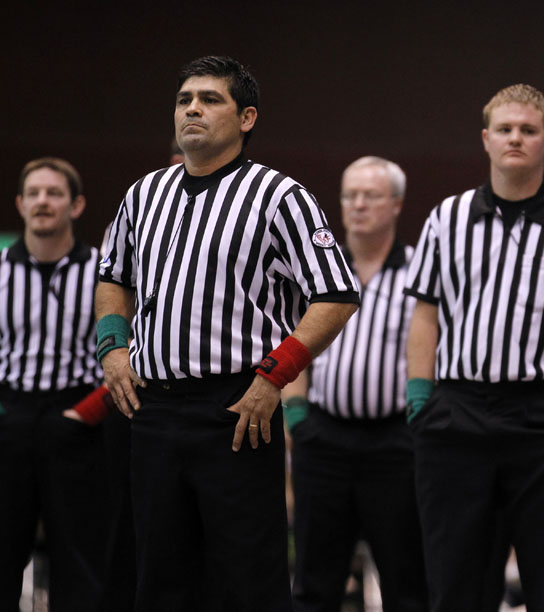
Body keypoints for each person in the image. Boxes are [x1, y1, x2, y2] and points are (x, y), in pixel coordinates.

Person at [96, 56, 359, 612]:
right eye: (184, 99)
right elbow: (112, 276)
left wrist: (275, 377)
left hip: (238, 407)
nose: (192, 108)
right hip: (154, 408)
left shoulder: (279, 195)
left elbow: (336, 294)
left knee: (248, 580)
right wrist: (113, 348)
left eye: (210, 99)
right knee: (159, 578)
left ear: (246, 118)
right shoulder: (144, 194)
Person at [404, 83, 544, 612]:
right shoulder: (446, 217)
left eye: (528, 130)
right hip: (457, 414)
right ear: (485, 139)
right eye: (505, 129)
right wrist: (419, 399)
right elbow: (425, 312)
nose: (515, 139)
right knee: (455, 576)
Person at [284, 156, 427, 612]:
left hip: (394, 443)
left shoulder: (419, 272)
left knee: (407, 581)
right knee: (314, 581)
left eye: (371, 195)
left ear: (397, 204)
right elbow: (289, 338)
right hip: (323, 439)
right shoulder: (318, 271)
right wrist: (298, 419)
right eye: (350, 195)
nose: (358, 204)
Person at [0, 158, 118, 610]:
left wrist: (86, 414)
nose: (43, 202)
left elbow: (138, 355)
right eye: (34, 193)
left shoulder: (104, 275)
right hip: (10, 420)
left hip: (79, 424)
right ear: (19, 203)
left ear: (77, 204)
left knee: (82, 563)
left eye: (54, 193)